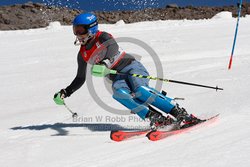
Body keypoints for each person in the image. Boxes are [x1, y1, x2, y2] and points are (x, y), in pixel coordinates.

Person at [53, 13, 202, 130]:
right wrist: (66, 92)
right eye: (75, 30)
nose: (78, 34)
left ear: (91, 28)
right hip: (118, 77)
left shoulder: (102, 37)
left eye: (80, 30)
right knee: (119, 94)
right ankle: (155, 118)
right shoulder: (83, 54)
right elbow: (80, 77)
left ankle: (179, 113)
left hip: (131, 67)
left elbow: (113, 48)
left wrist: (105, 63)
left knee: (140, 90)